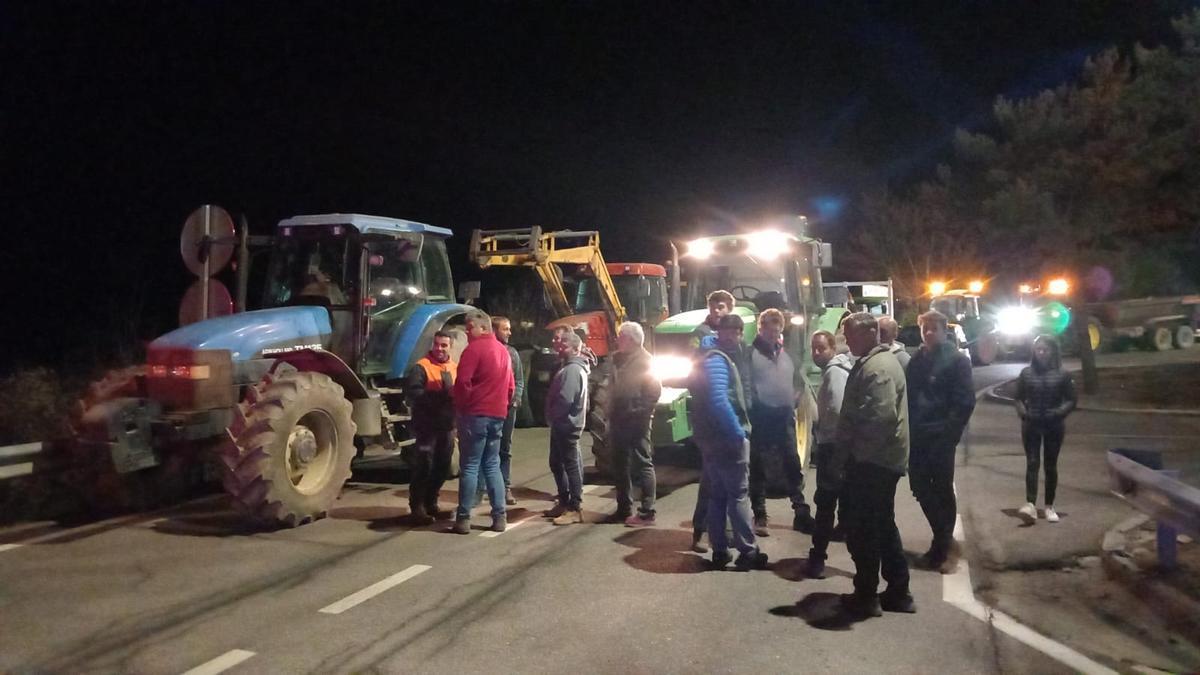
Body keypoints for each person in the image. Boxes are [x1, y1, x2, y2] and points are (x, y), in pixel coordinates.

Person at [831, 312, 913, 618]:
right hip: (880, 461)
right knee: (881, 524)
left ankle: (867, 595)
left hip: (873, 464)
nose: (846, 341)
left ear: (867, 334)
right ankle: (897, 592)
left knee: (863, 528)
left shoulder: (877, 368)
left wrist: (855, 457)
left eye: (850, 335)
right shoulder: (878, 363)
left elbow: (880, 419)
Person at [689, 313, 768, 571]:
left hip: (710, 438)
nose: (733, 335)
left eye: (737, 331)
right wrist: (737, 432)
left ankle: (720, 550)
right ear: (719, 332)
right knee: (738, 494)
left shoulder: (709, 356)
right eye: (729, 331)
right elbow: (719, 401)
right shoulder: (717, 360)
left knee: (718, 495)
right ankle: (748, 550)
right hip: (725, 437)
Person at [907, 310, 976, 571]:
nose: (928, 333)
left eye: (933, 328)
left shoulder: (956, 361)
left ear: (944, 330)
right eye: (925, 328)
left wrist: (949, 435)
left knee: (942, 490)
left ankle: (942, 547)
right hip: (918, 435)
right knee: (920, 487)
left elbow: (964, 401)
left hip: (940, 436)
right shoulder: (918, 359)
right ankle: (943, 538)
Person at [747, 308, 814, 536]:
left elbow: (799, 381)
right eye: (768, 330)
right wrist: (756, 405)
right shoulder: (749, 354)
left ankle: (801, 511)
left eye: (777, 331)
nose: (773, 335)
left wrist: (795, 396)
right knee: (758, 466)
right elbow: (745, 386)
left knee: (792, 462)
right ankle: (760, 514)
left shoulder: (788, 355)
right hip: (761, 419)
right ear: (760, 328)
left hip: (785, 418)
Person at [690, 289, 744, 553]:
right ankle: (702, 532)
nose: (716, 311)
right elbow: (716, 395)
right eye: (713, 306)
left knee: (726, 485)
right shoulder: (704, 338)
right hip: (715, 424)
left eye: (721, 307)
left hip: (729, 419)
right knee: (712, 483)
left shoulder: (736, 340)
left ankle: (726, 534)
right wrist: (736, 431)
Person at [450, 311, 515, 534]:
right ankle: (499, 517)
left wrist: (462, 407)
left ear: (483, 328)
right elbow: (511, 388)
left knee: (470, 466)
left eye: (470, 328)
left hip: (475, 415)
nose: (467, 333)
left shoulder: (473, 350)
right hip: (497, 415)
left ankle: (464, 518)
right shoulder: (503, 352)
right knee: (492, 464)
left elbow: (463, 383)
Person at [805, 329, 855, 579]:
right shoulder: (841, 369)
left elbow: (835, 410)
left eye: (821, 348)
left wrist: (828, 439)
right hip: (842, 446)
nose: (816, 353)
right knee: (845, 500)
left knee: (825, 502)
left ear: (833, 348)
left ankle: (817, 559)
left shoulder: (835, 373)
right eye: (813, 348)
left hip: (832, 446)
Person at [1014, 334, 1077, 525]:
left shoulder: (1063, 375)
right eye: (1038, 349)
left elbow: (1071, 399)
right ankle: (1030, 504)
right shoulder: (1026, 373)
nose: (1041, 353)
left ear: (1052, 352)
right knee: (1032, 463)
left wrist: (1058, 413)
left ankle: (1049, 506)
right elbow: (1018, 397)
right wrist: (1024, 413)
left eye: (1045, 350)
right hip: (1031, 424)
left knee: (1050, 465)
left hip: (1053, 425)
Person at [607, 321, 661, 526]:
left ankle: (647, 511)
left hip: (637, 422)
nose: (617, 339)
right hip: (618, 419)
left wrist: (639, 413)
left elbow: (653, 392)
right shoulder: (617, 359)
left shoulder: (647, 361)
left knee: (642, 463)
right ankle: (623, 508)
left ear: (631, 339)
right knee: (619, 464)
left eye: (620, 336)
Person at [404, 331, 458, 525]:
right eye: (437, 345)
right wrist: (441, 396)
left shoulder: (454, 367)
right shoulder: (421, 367)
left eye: (444, 345)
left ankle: (431, 502)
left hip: (447, 427)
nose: (440, 349)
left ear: (450, 346)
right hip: (427, 427)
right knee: (423, 466)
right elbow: (414, 394)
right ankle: (417, 507)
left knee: (442, 466)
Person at [545, 330, 591, 525]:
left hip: (567, 425)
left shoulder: (572, 370)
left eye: (564, 345)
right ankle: (564, 501)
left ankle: (574, 507)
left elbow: (565, 399)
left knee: (570, 466)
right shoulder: (571, 367)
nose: (560, 347)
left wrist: (554, 416)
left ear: (574, 348)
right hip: (565, 423)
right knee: (557, 463)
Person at [492, 316, 522, 506]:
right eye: (505, 329)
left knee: (504, 449)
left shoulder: (512, 353)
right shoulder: (486, 351)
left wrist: (516, 399)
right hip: (488, 409)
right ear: (494, 330)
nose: (509, 332)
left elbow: (519, 380)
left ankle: (505, 488)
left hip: (508, 409)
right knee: (486, 450)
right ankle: (481, 489)